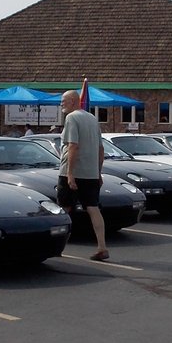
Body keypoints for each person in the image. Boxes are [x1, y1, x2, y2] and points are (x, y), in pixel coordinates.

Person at [58, 88, 109, 261]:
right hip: (91, 173)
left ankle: (57, 246)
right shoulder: (92, 118)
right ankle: (102, 246)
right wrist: (98, 172)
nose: (61, 104)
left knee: (64, 208)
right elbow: (101, 149)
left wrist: (70, 175)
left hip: (71, 172)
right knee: (93, 208)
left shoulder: (71, 118)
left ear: (73, 101)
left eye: (63, 101)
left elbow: (73, 146)